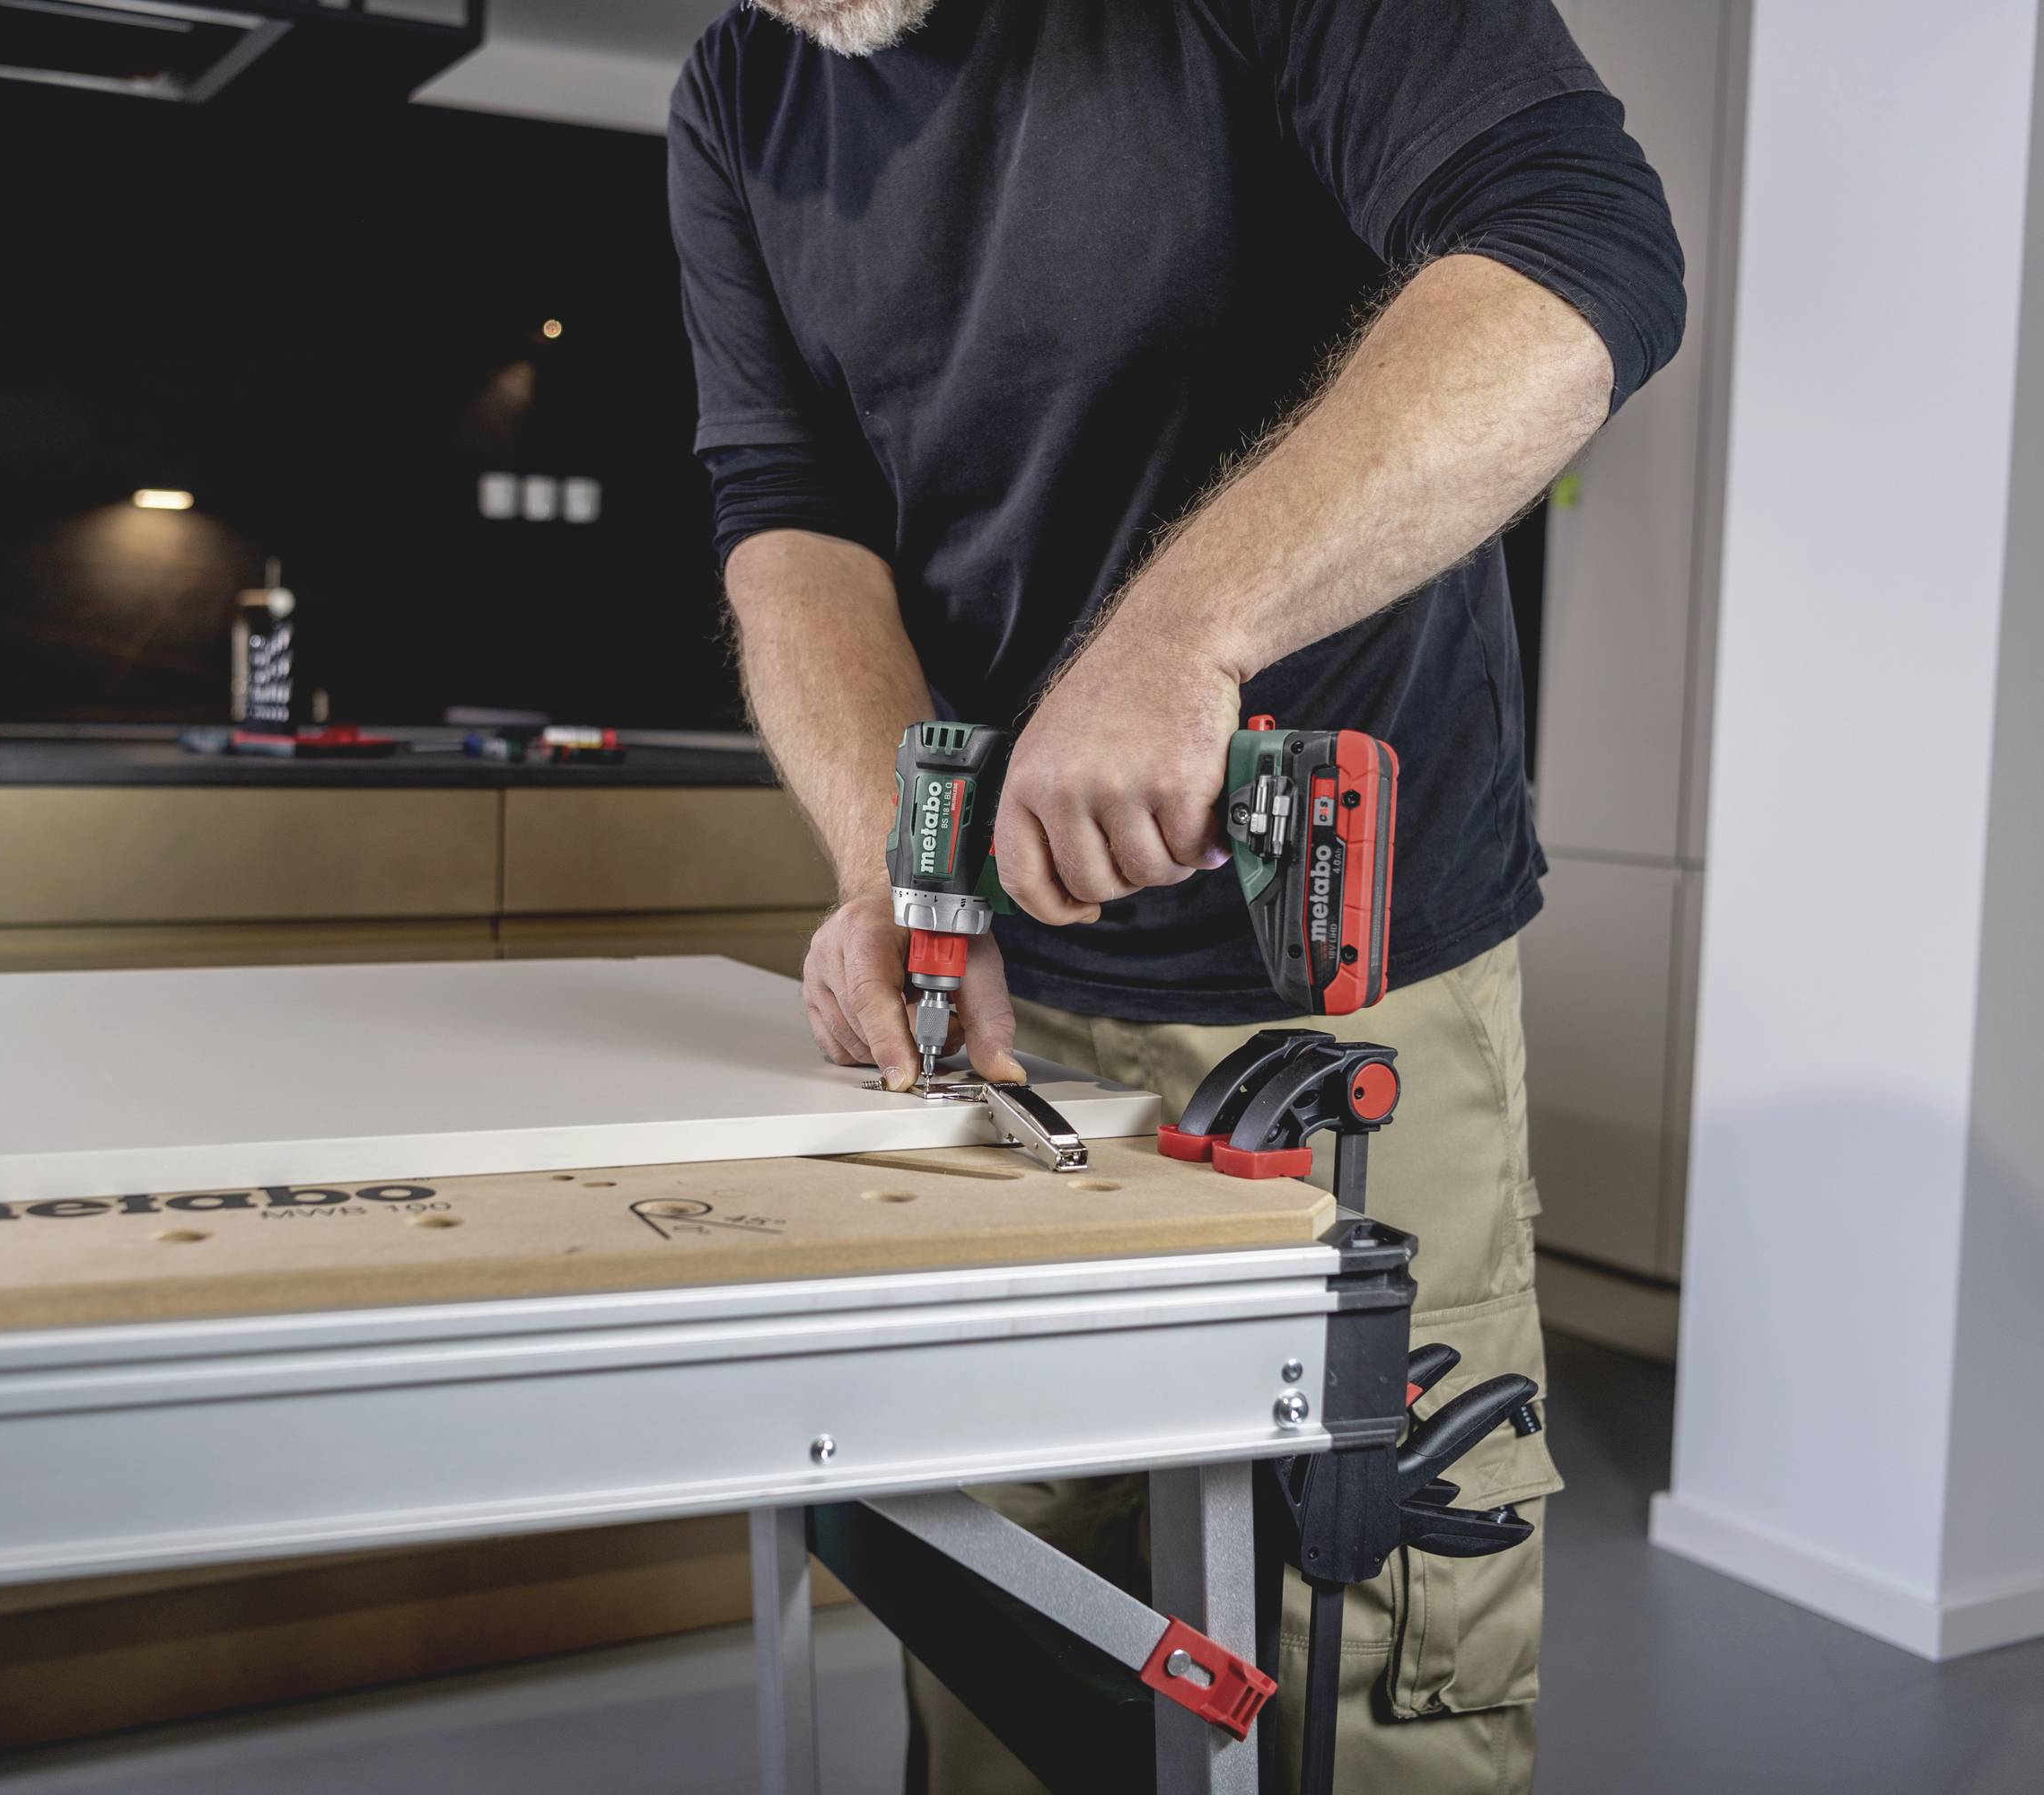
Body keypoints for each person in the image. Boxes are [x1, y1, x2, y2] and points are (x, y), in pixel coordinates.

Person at [670, 0, 1684, 1788]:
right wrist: (901, 868)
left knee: (1365, 1641)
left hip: (1347, 991)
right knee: (998, 1615)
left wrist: (1182, 636)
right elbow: (795, 513)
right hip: (991, 1022)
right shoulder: (742, 88)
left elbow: (1573, 257)